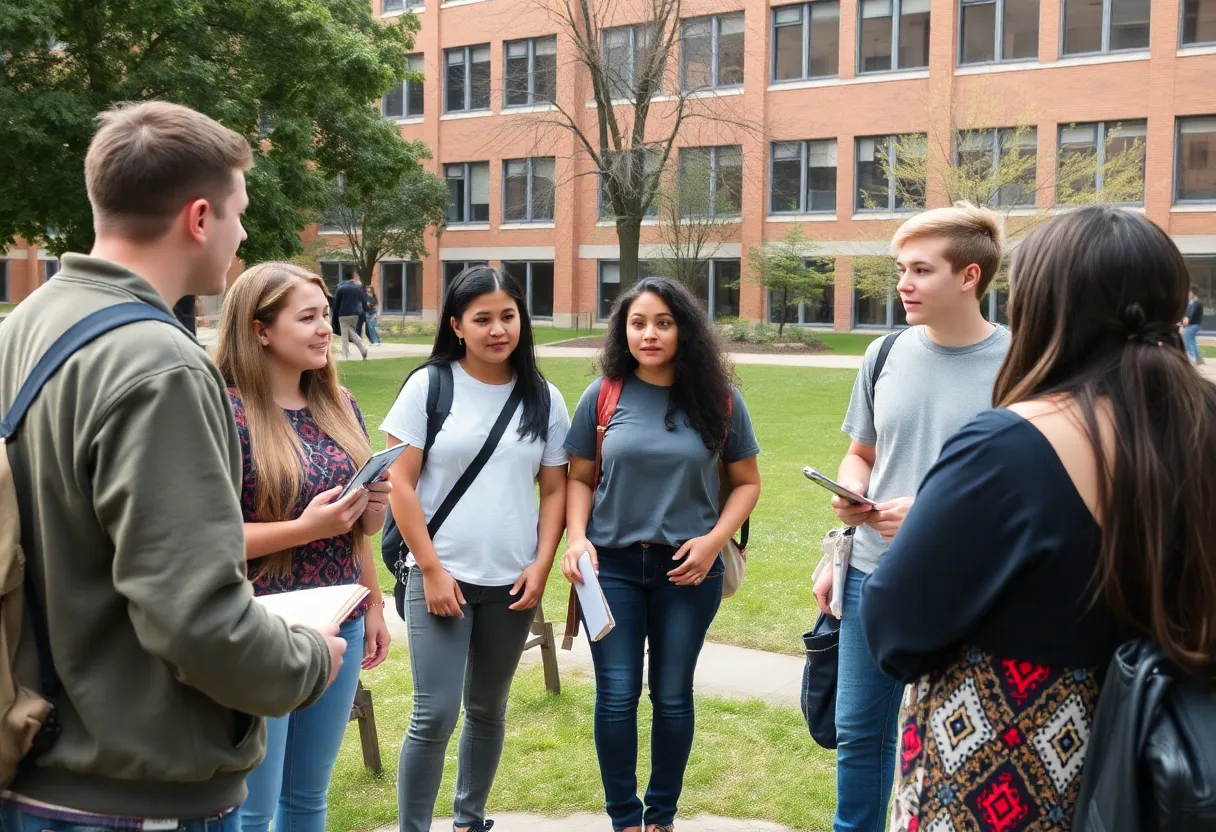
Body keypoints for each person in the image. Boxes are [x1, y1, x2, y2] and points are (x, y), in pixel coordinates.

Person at [0, 101, 341, 827]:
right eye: (238, 212)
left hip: (31, 759)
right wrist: (309, 661)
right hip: (126, 792)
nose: (242, 232)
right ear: (198, 218)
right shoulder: (160, 364)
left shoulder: (20, 329)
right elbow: (195, 622)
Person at [862, 206, 1216, 830]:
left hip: (1009, 768)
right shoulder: (1200, 423)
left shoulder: (1010, 444)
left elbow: (897, 625)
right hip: (1168, 754)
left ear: (1044, 304)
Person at [815, 202, 1010, 832]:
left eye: (920, 270)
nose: (903, 283)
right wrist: (852, 497)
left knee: (967, 746)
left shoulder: (1022, 364)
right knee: (859, 734)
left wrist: (931, 517)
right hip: (874, 576)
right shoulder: (884, 353)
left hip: (971, 588)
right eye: (902, 268)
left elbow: (1028, 487)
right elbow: (861, 452)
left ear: (969, 276)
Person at [562, 276, 761, 832]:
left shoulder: (719, 400)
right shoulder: (603, 396)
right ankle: (625, 818)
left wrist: (714, 541)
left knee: (672, 696)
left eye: (663, 323)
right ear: (622, 331)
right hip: (613, 569)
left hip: (688, 571)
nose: (649, 334)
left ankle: (662, 818)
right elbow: (579, 477)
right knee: (618, 695)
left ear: (684, 331)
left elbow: (746, 482)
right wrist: (577, 539)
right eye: (638, 323)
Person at [381, 266, 570, 832]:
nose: (497, 329)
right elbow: (400, 483)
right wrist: (433, 571)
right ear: (457, 325)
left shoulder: (545, 397)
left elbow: (556, 487)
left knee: (487, 710)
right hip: (439, 576)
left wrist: (541, 565)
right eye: (482, 318)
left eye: (507, 315)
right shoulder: (429, 385)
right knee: (433, 715)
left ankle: (470, 820)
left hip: (511, 581)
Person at [215, 262, 393, 832]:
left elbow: (359, 531)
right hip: (260, 626)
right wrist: (303, 529)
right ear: (260, 328)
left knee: (307, 798)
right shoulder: (226, 413)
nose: (326, 329)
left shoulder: (337, 401)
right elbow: (207, 540)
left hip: (339, 618)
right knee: (255, 807)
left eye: (325, 315)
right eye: (308, 317)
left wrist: (372, 591)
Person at [333, 271, 367, 360]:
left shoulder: (341, 288)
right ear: (352, 277)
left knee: (345, 334)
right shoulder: (357, 288)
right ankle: (362, 347)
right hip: (355, 314)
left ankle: (346, 355)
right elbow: (363, 300)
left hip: (343, 314)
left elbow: (336, 302)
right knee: (351, 331)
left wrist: (335, 313)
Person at [1181, 285, 1204, 364]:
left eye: (1189, 292)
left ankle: (1192, 360)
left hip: (1193, 325)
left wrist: (1186, 320)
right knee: (1192, 341)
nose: (1188, 294)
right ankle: (1198, 359)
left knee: (1187, 342)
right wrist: (1182, 322)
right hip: (1192, 325)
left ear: (1193, 293)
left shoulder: (1197, 303)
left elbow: (1190, 314)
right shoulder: (1192, 303)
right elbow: (1187, 314)